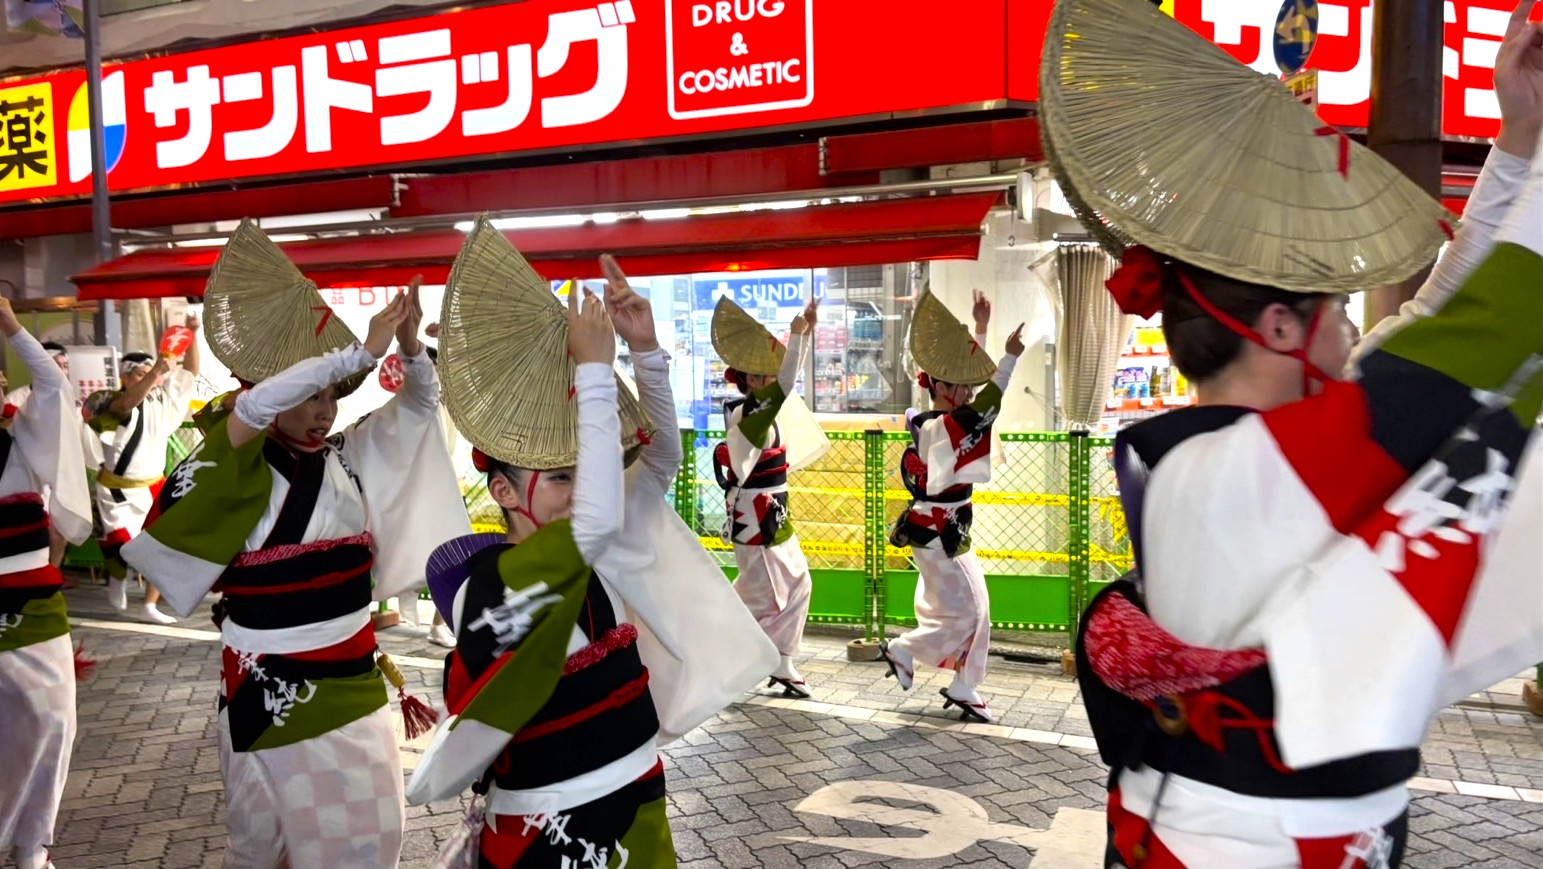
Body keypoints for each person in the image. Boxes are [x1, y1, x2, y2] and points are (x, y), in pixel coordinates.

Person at [1045, 1, 1543, 865]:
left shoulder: (1233, 456)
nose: (1357, 331)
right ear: (1279, 328)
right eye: (1339, 313)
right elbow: (1478, 344)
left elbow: (1443, 316)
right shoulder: (1224, 475)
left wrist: (1520, 142)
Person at [406, 221, 777, 868]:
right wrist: (595, 374)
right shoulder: (487, 578)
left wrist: (646, 349)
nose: (578, 490)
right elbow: (597, 520)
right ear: (500, 490)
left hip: (639, 798)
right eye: (557, 478)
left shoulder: (593, 540)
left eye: (583, 473)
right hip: (551, 830)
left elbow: (658, 460)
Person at [121, 220, 470, 868]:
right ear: (264, 392)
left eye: (331, 396)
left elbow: (419, 411)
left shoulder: (348, 454)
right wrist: (351, 359)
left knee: (368, 839)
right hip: (266, 684)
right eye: (307, 395)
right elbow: (249, 414)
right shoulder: (234, 460)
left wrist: (409, 351)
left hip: (352, 683)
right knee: (265, 846)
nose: (323, 410)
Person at [880, 289, 1024, 724]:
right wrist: (1009, 358)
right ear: (937, 386)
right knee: (971, 610)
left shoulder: (940, 422)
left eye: (966, 384)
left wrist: (979, 327)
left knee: (973, 608)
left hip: (945, 530)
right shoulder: (936, 425)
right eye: (958, 384)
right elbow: (983, 409)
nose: (966, 390)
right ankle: (906, 649)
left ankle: (965, 684)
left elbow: (978, 398)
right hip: (940, 532)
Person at [0, 298, 93, 869]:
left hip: (33, 609)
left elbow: (55, 391)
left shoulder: (24, 444)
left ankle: (33, 843)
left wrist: (12, 327)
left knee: (53, 722)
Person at [711, 295, 829, 698]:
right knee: (771, 595)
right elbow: (786, 382)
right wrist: (798, 336)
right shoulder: (748, 414)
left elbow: (785, 384)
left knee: (789, 587)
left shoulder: (766, 410)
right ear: (748, 379)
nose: (771, 378)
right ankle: (746, 660)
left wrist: (805, 335)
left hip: (771, 514)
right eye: (762, 373)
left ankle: (771, 659)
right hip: (756, 517)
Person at [87, 319, 201, 624]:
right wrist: (156, 372)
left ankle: (150, 605)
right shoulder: (110, 401)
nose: (149, 377)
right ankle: (116, 579)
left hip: (153, 485)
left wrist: (193, 334)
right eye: (139, 373)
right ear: (126, 377)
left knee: (161, 546)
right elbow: (126, 404)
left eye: (148, 372)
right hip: (117, 488)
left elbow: (190, 373)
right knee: (123, 546)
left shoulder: (162, 399)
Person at [6, 340, 101, 577]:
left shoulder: (72, 401)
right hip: (31, 479)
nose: (62, 369)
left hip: (61, 475)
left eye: (64, 364)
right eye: (56, 363)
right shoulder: (17, 398)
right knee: (38, 531)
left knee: (61, 532)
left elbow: (79, 437)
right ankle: (35, 578)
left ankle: (51, 575)